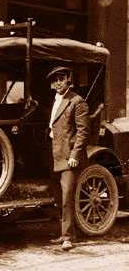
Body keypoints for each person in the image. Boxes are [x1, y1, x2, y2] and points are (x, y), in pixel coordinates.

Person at [47, 66, 90, 251]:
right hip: (56, 155)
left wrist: (75, 155)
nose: (58, 83)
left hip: (68, 157)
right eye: (55, 80)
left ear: (68, 80)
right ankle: (66, 233)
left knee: (66, 197)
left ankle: (67, 238)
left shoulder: (77, 101)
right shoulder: (56, 101)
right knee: (58, 196)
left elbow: (83, 132)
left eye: (61, 79)